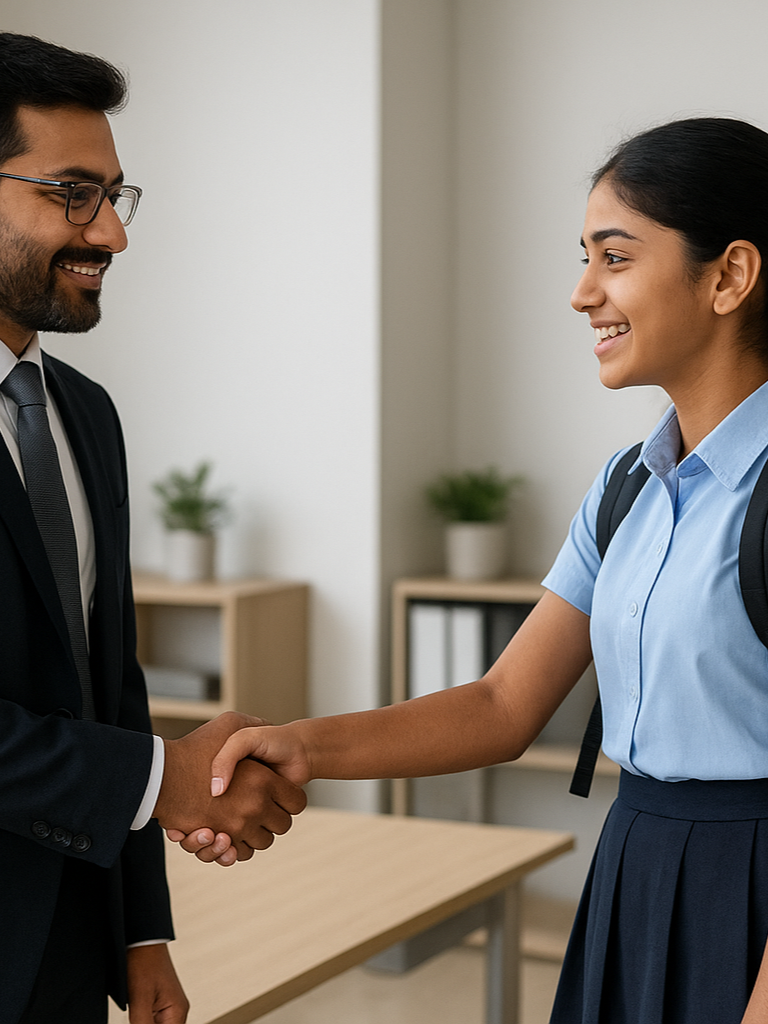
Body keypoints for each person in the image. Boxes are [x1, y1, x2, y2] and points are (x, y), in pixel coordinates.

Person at [174, 115, 768, 1023]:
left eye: (614, 257)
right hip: (636, 867)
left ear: (728, 274)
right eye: (584, 257)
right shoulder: (626, 488)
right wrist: (305, 745)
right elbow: (501, 707)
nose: (581, 294)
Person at [0, 32, 306, 1024]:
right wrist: (164, 778)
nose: (111, 235)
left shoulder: (85, 414)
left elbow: (109, 688)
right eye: (69, 194)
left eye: (113, 197)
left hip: (65, 946)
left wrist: (141, 932)